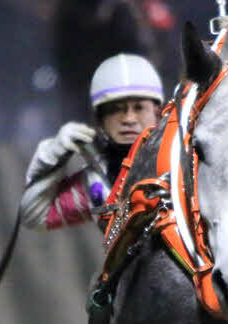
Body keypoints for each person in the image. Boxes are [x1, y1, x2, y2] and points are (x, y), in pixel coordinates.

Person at [20, 53, 164, 232]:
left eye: (139, 108)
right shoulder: (96, 182)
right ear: (99, 120)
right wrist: (53, 156)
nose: (128, 119)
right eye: (115, 110)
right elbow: (34, 215)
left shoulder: (188, 161)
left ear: (158, 112)